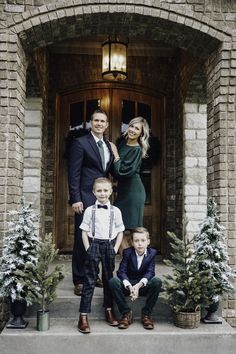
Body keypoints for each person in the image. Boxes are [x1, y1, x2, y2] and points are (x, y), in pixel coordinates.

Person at [68, 109, 114, 296]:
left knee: (99, 237)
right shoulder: (80, 143)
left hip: (102, 196)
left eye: (103, 121)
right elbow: (74, 173)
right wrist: (75, 198)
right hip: (85, 196)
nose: (99, 124)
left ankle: (93, 275)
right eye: (96, 120)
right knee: (82, 237)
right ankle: (79, 279)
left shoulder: (108, 146)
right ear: (90, 123)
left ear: (107, 124)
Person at [78, 177, 124, 333]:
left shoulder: (116, 211)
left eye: (105, 190)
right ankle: (83, 315)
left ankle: (109, 310)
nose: (102, 193)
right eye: (99, 190)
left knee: (108, 280)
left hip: (109, 246)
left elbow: (120, 231)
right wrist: (88, 248)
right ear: (93, 192)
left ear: (110, 192)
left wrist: (115, 248)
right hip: (94, 245)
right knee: (89, 280)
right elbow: (84, 231)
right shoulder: (89, 210)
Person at [109, 227, 162, 330]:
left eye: (143, 240)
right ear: (132, 242)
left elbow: (150, 272)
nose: (140, 243)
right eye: (136, 241)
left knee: (157, 281)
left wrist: (138, 286)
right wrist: (130, 286)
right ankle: (126, 313)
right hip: (129, 284)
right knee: (113, 281)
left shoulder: (152, 253)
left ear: (148, 242)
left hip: (142, 286)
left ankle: (146, 314)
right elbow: (121, 272)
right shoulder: (127, 253)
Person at [110, 117, 150, 252]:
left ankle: (134, 265)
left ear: (141, 134)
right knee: (118, 229)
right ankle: (129, 264)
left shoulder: (137, 150)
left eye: (137, 128)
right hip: (123, 192)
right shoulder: (123, 144)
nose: (133, 130)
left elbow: (123, 172)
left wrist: (115, 154)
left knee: (132, 231)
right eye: (131, 126)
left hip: (133, 193)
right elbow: (115, 170)